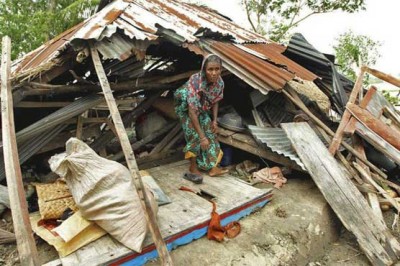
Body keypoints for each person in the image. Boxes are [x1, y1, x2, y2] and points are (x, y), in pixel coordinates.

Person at [174, 54, 228, 177]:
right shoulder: (195, 81)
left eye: (217, 69)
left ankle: (212, 167)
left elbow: (216, 101)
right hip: (186, 107)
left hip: (202, 107)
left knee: (211, 133)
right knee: (194, 135)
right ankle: (193, 167)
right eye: (210, 69)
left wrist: (214, 120)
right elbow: (192, 112)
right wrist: (202, 137)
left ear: (221, 69)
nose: (214, 73)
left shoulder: (220, 83)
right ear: (204, 70)